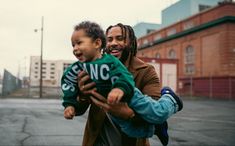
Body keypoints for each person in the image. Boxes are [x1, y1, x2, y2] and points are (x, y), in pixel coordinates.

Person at [62, 21, 183, 139]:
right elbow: (78, 110)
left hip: (132, 139)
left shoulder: (146, 71)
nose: (113, 43)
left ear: (131, 42)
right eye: (109, 40)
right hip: (97, 141)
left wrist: (128, 114)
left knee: (146, 126)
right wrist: (82, 96)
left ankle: (170, 100)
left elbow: (153, 112)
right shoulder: (90, 67)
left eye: (120, 38)